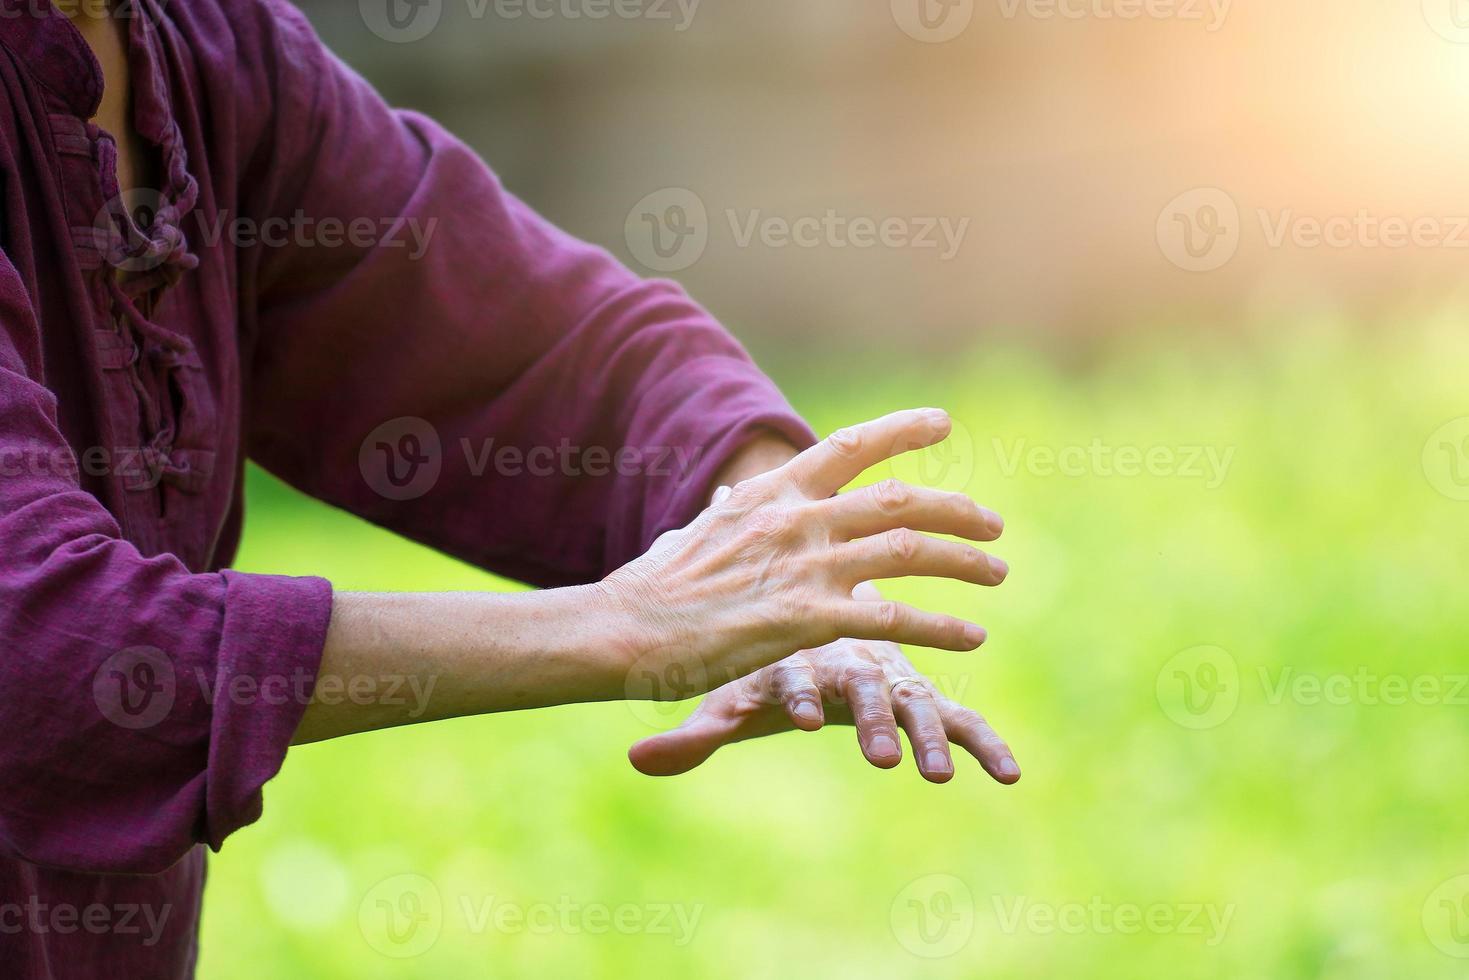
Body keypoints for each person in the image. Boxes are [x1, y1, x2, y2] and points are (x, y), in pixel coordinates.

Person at [0, 0, 1018, 975]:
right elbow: (40, 640)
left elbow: (517, 338)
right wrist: (630, 625)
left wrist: (766, 522)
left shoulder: (204, 45)